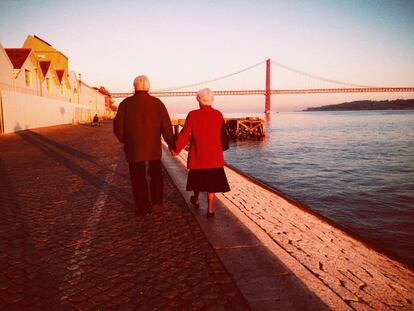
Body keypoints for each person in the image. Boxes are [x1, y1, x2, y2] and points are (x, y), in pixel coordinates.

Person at [113, 75, 175, 216]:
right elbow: (166, 127)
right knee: (156, 175)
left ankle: (143, 208)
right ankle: (157, 204)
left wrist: (126, 140)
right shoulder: (157, 103)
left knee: (137, 178)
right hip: (153, 148)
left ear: (134, 87)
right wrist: (171, 144)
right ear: (148, 87)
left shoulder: (125, 104)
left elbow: (117, 128)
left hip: (134, 148)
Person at [173, 88, 230, 217]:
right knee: (212, 184)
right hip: (214, 158)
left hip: (198, 156)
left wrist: (176, 149)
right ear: (212, 100)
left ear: (199, 100)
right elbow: (223, 136)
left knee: (197, 181)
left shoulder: (193, 114)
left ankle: (196, 199)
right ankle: (210, 209)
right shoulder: (218, 114)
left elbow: (184, 134)